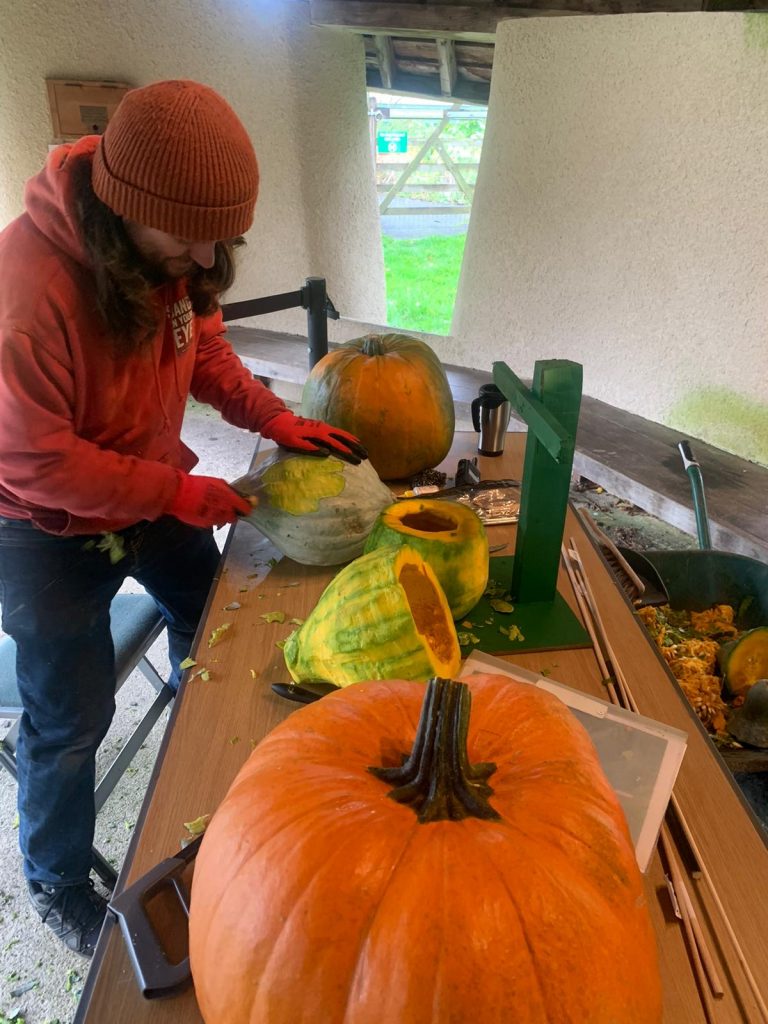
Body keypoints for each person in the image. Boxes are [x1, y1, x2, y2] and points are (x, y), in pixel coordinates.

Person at [0, 79, 366, 957]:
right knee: (70, 714)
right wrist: (171, 494)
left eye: (222, 237)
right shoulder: (25, 294)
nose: (205, 258)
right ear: (124, 210)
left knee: (216, 623)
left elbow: (198, 347)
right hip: (39, 525)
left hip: (151, 484)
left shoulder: (170, 256)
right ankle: (53, 877)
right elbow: (34, 459)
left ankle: (200, 767)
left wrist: (273, 416)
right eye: (189, 238)